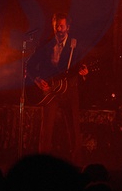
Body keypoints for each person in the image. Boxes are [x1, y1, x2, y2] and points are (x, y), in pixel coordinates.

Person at [25, 13, 89, 164]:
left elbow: (81, 64)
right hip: (50, 90)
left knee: (74, 128)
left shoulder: (75, 44)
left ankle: (76, 164)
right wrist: (37, 80)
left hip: (70, 89)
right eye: (56, 26)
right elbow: (30, 65)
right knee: (46, 129)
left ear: (68, 27)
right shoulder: (45, 44)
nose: (59, 29)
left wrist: (84, 71)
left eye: (62, 26)